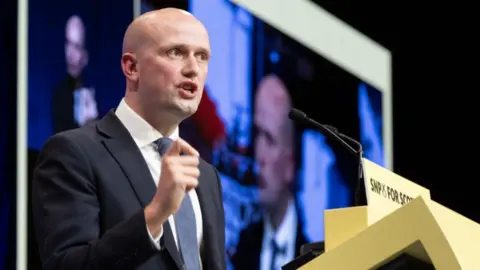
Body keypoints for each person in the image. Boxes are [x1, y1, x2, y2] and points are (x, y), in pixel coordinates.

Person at [32, 8, 226, 270]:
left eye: (202, 56)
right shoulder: (73, 154)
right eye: (176, 52)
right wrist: (156, 214)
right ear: (132, 67)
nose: (193, 69)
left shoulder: (206, 175)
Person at [231, 74, 307, 270]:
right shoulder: (244, 246)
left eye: (270, 140)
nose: (259, 154)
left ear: (290, 164)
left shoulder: (316, 259)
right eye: (257, 135)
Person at [51, 15, 99, 134]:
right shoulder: (60, 95)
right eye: (68, 43)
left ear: (86, 55)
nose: (70, 53)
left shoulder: (96, 94)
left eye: (77, 46)